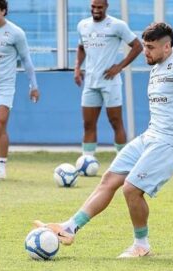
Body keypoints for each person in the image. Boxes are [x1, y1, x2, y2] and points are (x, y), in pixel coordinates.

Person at [35, 22, 173, 258]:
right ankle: (69, 228)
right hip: (150, 136)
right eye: (144, 46)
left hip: (170, 142)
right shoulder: (156, 68)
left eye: (150, 47)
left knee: (131, 189)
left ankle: (141, 245)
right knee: (109, 179)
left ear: (167, 47)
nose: (145, 52)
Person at [75, 0, 142, 157]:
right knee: (88, 124)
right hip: (90, 83)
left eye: (99, 7)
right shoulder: (82, 25)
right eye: (93, 7)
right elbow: (81, 47)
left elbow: (138, 46)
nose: (96, 10)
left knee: (115, 122)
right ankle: (87, 160)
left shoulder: (117, 25)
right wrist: (77, 68)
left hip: (110, 83)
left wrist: (120, 66)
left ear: (106, 7)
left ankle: (123, 161)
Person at [0, 0, 39, 180]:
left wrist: (34, 86)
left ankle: (1, 167)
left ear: (3, 11)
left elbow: (26, 60)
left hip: (4, 86)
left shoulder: (16, 33)